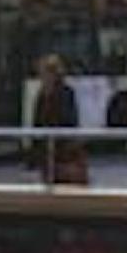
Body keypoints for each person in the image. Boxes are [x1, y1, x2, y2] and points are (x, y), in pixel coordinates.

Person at [31, 54, 88, 186]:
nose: (42, 77)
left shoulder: (66, 92)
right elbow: (37, 122)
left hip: (63, 151)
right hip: (47, 151)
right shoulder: (42, 94)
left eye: (44, 73)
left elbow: (69, 120)